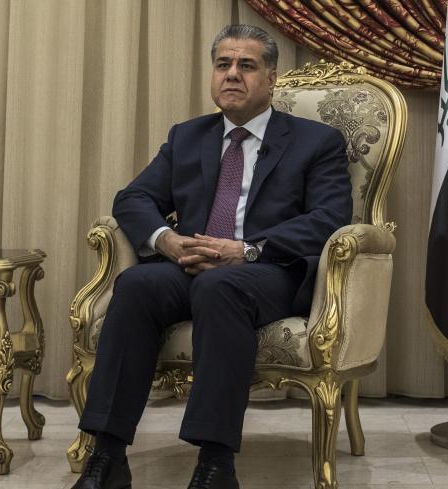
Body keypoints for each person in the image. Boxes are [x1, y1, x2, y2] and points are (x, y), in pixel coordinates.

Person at [71, 24, 352, 489]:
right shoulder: (188, 136)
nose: (232, 75)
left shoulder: (314, 142)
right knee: (137, 284)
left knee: (220, 286)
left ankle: (215, 463)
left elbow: (330, 218)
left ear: (271, 77)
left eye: (247, 65)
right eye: (223, 64)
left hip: (265, 272)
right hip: (191, 266)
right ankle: (107, 455)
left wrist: (247, 249)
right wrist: (167, 240)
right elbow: (132, 198)